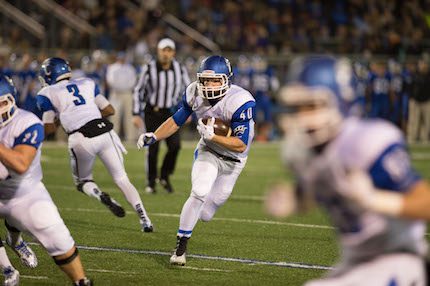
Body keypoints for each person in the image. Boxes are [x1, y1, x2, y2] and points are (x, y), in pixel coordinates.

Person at [267, 55, 430, 285]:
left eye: (312, 105)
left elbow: (426, 203)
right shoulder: (300, 152)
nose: (303, 116)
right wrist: (295, 200)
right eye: (297, 107)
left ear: (341, 101)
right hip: (356, 259)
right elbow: (319, 188)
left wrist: (375, 200)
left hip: (400, 256)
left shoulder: (364, 141)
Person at [137, 55, 255, 266]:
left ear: (227, 80)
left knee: (208, 213)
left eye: (215, 80)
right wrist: (154, 136)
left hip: (234, 161)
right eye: (205, 80)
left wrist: (213, 136)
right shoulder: (194, 92)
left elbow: (241, 144)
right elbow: (176, 121)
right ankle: (180, 247)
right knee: (199, 191)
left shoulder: (240, 101)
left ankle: (196, 216)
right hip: (208, 151)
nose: (209, 85)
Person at [36, 57, 153, 233]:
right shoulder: (86, 83)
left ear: (49, 75)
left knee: (82, 182)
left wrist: (65, 117)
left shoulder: (47, 93)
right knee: (122, 179)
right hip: (105, 132)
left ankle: (99, 194)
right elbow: (109, 110)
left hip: (80, 138)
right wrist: (86, 113)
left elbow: (49, 128)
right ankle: (145, 219)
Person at [0, 74, 92, 285]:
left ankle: (81, 281)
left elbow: (21, 163)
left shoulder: (27, 122)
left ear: (11, 100)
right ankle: (7, 269)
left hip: (24, 192)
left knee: (61, 244)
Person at [133, 38, 190, 194]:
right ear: (158, 51)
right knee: (153, 147)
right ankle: (151, 182)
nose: (166, 54)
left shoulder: (180, 69)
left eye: (169, 50)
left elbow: (189, 89)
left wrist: (188, 110)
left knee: (175, 146)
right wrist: (136, 113)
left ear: (173, 53)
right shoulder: (149, 68)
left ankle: (164, 175)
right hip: (153, 112)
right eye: (163, 50)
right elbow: (138, 90)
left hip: (171, 113)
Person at [106, 51, 137, 142]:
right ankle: (113, 137)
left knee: (129, 116)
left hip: (127, 93)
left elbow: (133, 81)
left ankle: (130, 138)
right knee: (115, 116)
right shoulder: (112, 67)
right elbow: (110, 81)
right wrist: (119, 88)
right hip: (116, 93)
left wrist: (125, 88)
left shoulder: (130, 68)